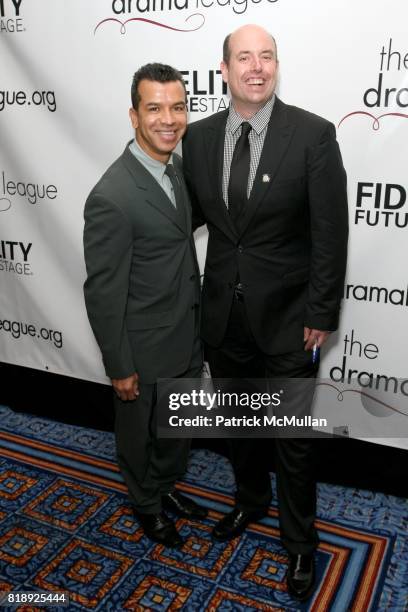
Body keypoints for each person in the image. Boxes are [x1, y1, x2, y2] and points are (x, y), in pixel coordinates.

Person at [182, 25, 348, 600]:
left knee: (293, 441)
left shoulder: (313, 135)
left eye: (267, 56)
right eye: (244, 57)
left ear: (277, 66)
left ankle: (301, 544)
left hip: (288, 321)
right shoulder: (198, 138)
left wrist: (322, 312)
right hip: (223, 318)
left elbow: (330, 233)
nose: (257, 67)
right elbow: (188, 220)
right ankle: (250, 503)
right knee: (240, 429)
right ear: (223, 70)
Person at [83, 63, 206, 549]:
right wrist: (120, 366)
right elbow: (102, 292)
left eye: (177, 107)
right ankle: (146, 504)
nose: (168, 119)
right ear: (133, 115)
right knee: (140, 439)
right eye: (154, 108)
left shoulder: (175, 168)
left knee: (176, 432)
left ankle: (164, 487)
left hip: (185, 334)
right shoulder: (112, 196)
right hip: (142, 347)